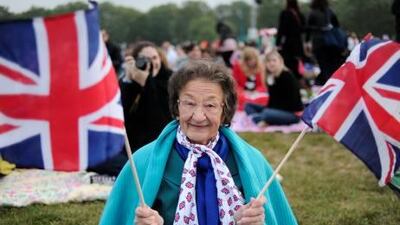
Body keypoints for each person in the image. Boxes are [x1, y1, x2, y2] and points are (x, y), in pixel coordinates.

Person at [99, 60, 298, 225]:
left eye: (210, 105)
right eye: (189, 103)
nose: (199, 116)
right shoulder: (141, 163)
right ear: (176, 107)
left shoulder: (252, 161)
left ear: (224, 109)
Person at [90, 41, 173, 176]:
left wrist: (146, 83)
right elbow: (119, 114)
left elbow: (157, 119)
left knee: (131, 169)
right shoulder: (130, 82)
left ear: (161, 59)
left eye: (154, 58)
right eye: (144, 59)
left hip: (156, 148)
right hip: (129, 147)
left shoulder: (170, 81)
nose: (151, 63)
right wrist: (128, 80)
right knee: (98, 160)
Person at [245, 50, 303, 127]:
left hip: (292, 113)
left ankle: (260, 119)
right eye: (268, 61)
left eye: (274, 60)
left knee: (266, 113)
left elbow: (292, 103)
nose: (271, 63)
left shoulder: (287, 76)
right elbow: (273, 100)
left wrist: (270, 110)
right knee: (248, 106)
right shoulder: (271, 77)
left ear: (280, 62)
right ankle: (260, 120)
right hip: (275, 109)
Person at [305, 0, 346, 86]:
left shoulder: (312, 13)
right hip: (332, 44)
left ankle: (327, 85)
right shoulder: (330, 12)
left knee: (324, 67)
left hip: (319, 44)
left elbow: (308, 29)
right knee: (332, 67)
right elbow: (337, 26)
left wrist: (307, 42)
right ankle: (334, 85)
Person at [232, 46, 269, 111]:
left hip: (256, 93)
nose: (252, 62)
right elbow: (234, 84)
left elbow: (263, 85)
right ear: (245, 60)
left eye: (253, 60)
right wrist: (243, 91)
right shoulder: (238, 66)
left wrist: (256, 91)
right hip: (242, 93)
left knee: (265, 99)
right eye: (249, 60)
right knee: (240, 98)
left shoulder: (261, 67)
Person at [276, 0, 305, 80]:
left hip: (288, 44)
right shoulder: (300, 14)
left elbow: (281, 30)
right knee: (297, 65)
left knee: (287, 65)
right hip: (298, 44)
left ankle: (289, 81)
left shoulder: (284, 13)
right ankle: (297, 83)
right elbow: (304, 29)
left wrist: (278, 44)